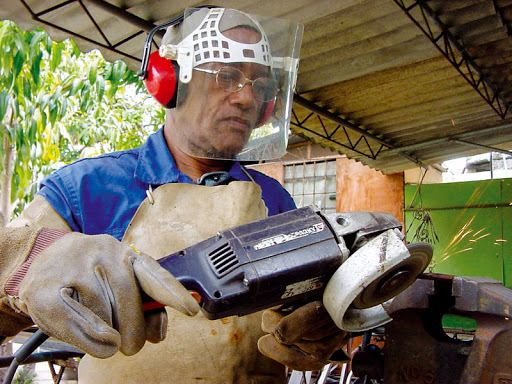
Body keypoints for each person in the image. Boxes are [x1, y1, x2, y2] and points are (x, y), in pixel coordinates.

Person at [0, 7, 349, 383]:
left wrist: (322, 324)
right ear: (169, 81)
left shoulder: (274, 199)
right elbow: (8, 277)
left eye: (261, 86)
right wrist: (30, 264)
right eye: (227, 76)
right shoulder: (88, 188)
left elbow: (302, 307)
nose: (247, 98)